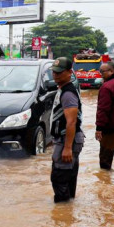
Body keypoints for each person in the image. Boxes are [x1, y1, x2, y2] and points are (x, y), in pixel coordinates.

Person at [48, 57, 84, 202]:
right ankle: (68, 211)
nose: (55, 75)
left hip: (66, 140)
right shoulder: (63, 89)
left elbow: (71, 122)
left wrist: (67, 148)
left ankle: (62, 215)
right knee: (68, 176)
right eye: (54, 72)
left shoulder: (68, 93)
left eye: (59, 73)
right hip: (67, 140)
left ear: (69, 72)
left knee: (59, 178)